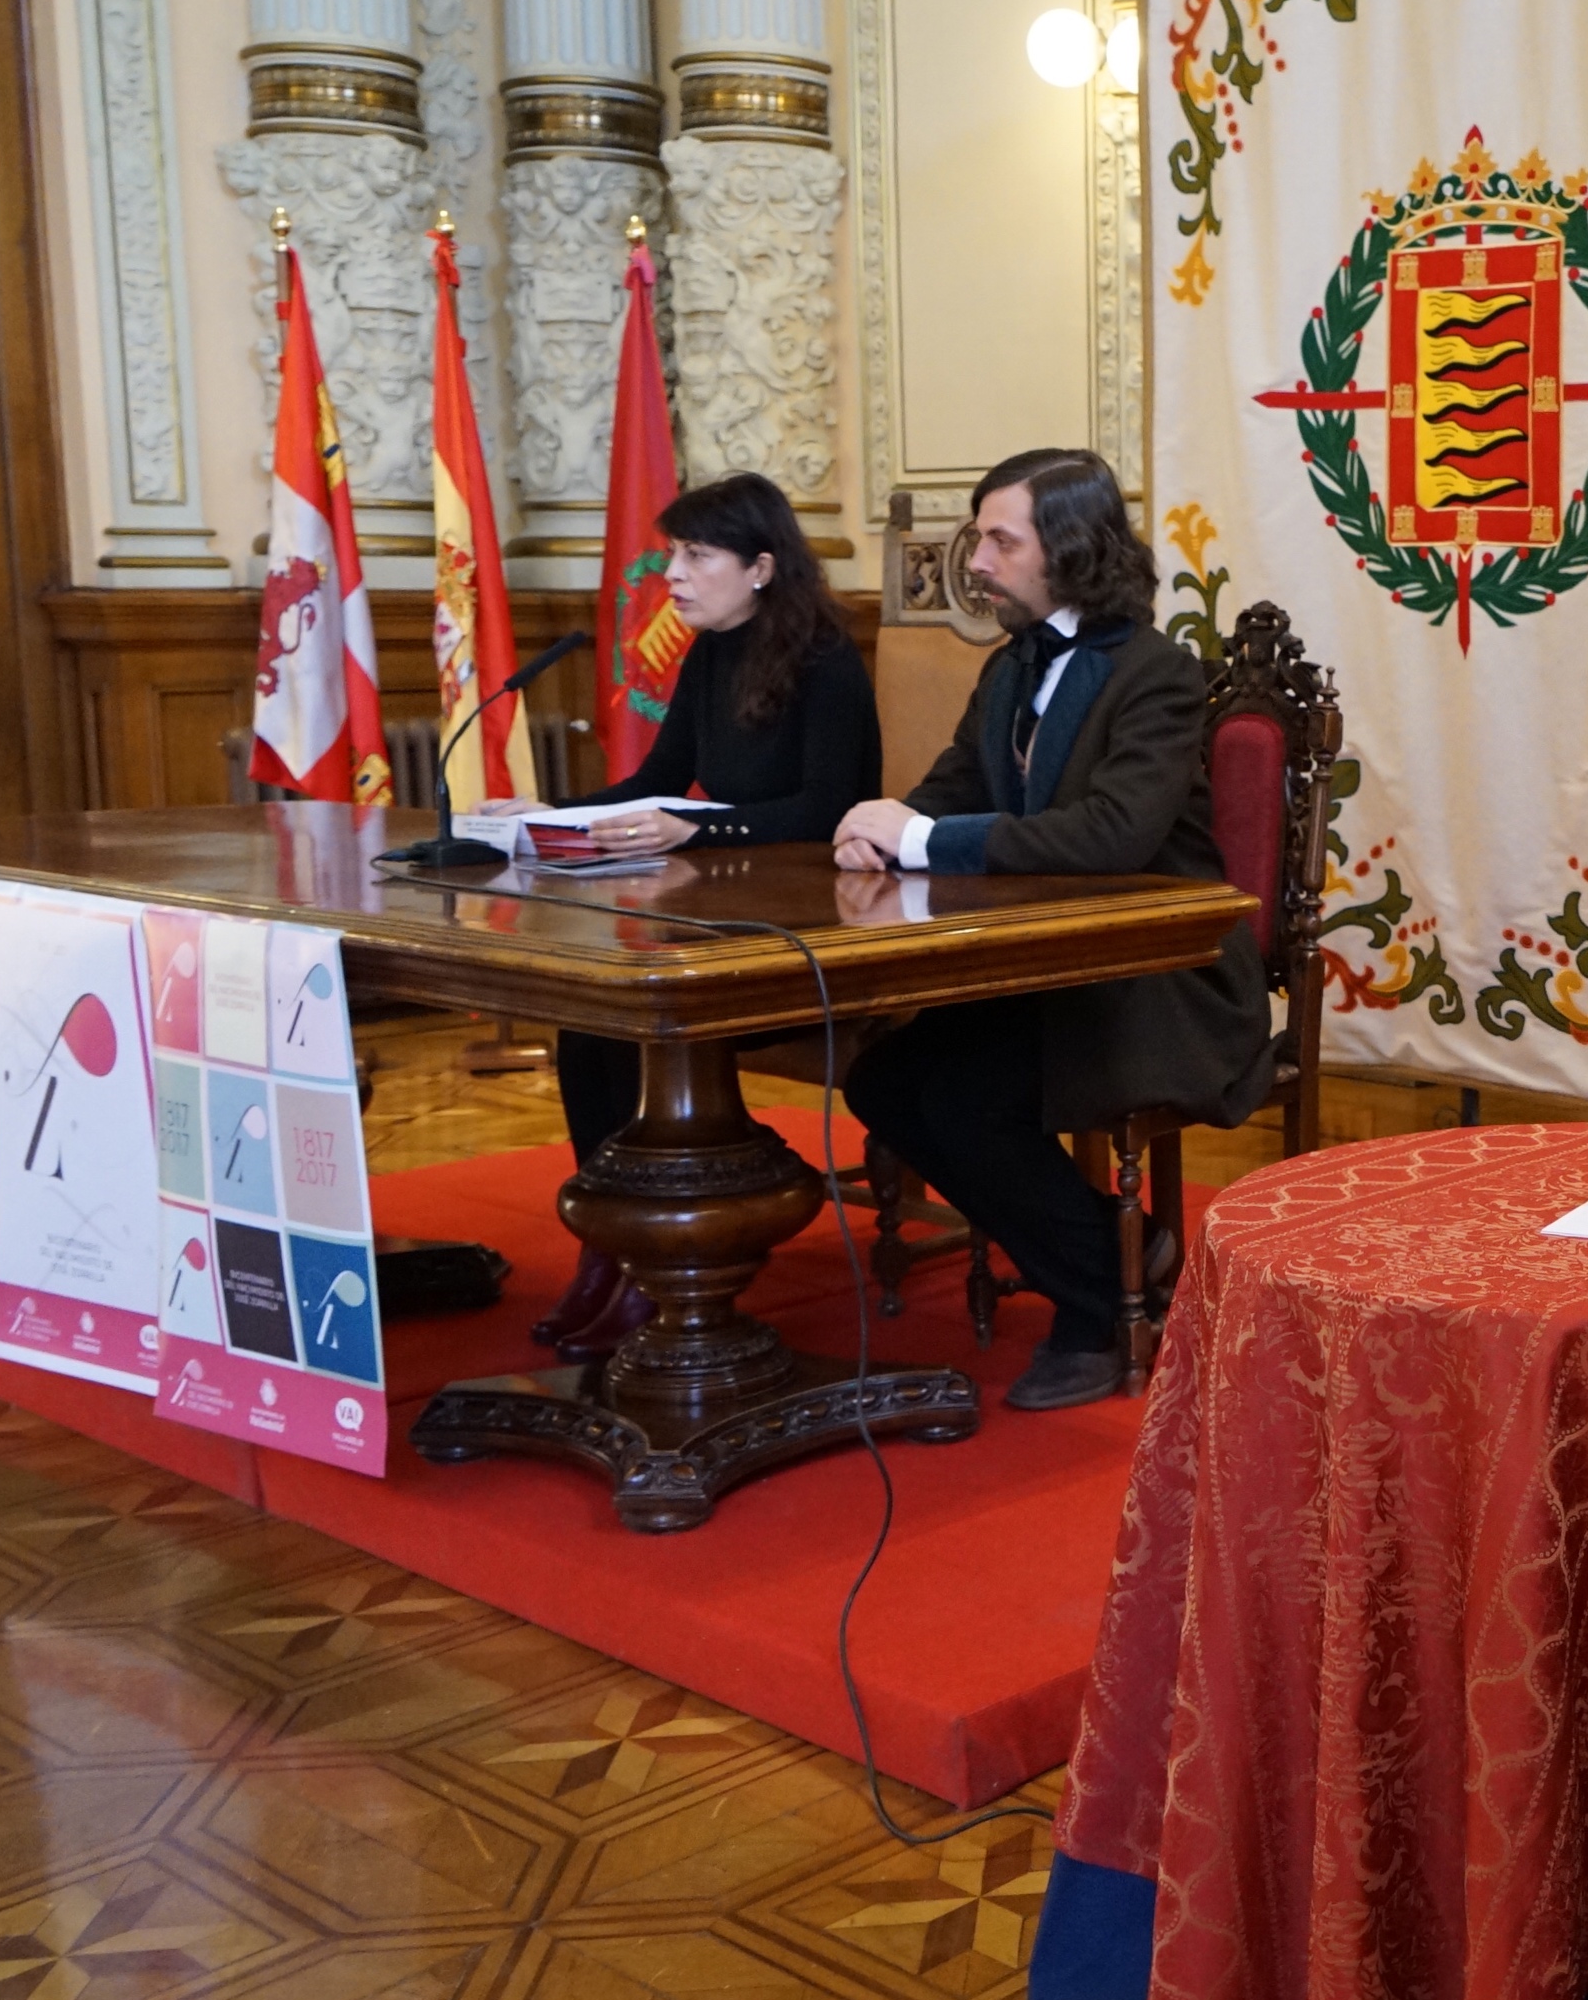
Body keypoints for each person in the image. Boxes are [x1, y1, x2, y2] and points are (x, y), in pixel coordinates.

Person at [832, 448, 1272, 1411]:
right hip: (1054, 970)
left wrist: (922, 839)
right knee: (884, 1080)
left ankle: (1093, 1305)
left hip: (1158, 977)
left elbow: (1114, 834)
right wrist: (882, 829)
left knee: (964, 1103)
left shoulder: (1156, 674)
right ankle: (1124, 1255)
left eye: (1001, 541)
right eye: (977, 538)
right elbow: (949, 790)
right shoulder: (1009, 668)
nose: (977, 561)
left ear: (1070, 550)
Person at [512, 471, 883, 1356]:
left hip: (808, 933)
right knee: (589, 1021)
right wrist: (544, 817)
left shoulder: (826, 660)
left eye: (695, 555)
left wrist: (702, 827)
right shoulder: (711, 652)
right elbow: (655, 782)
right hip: (723, 915)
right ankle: (612, 1248)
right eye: (673, 553)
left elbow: (830, 808)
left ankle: (653, 1261)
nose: (671, 574)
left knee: (640, 1019)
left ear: (760, 567)